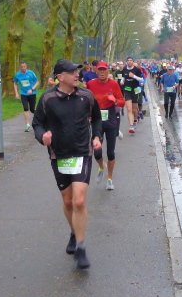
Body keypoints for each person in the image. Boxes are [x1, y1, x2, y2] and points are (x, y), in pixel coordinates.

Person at [32, 59, 102, 269]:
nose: (77, 74)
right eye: (72, 72)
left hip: (82, 152)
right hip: (59, 154)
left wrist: (97, 136)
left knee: (79, 201)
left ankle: (80, 246)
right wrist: (42, 136)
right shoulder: (48, 99)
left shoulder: (86, 96)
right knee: (68, 201)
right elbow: (37, 123)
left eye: (77, 71)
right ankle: (74, 230)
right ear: (60, 77)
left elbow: (97, 118)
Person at [86, 61, 124, 190]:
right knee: (97, 152)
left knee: (110, 152)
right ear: (96, 71)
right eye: (100, 70)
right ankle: (102, 166)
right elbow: (86, 100)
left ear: (108, 71)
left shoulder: (113, 84)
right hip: (96, 121)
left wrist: (115, 100)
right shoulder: (91, 84)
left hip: (111, 120)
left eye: (104, 70)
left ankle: (109, 179)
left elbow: (122, 102)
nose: (102, 72)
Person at [120, 56, 145, 134]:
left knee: (134, 109)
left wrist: (133, 76)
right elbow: (123, 77)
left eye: (131, 60)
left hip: (135, 90)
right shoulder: (124, 69)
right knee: (129, 109)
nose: (129, 61)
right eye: (128, 60)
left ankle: (135, 120)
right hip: (127, 90)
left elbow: (141, 79)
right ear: (126, 62)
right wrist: (122, 81)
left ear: (133, 61)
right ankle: (131, 126)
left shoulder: (137, 70)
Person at [13, 61, 40, 132]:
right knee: (25, 108)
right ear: (20, 67)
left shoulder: (31, 73)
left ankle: (40, 117)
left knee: (32, 109)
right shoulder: (17, 75)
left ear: (26, 66)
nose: (23, 68)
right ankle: (28, 125)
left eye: (24, 66)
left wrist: (32, 89)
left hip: (32, 93)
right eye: (21, 67)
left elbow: (37, 82)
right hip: (23, 94)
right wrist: (16, 93)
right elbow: (15, 83)